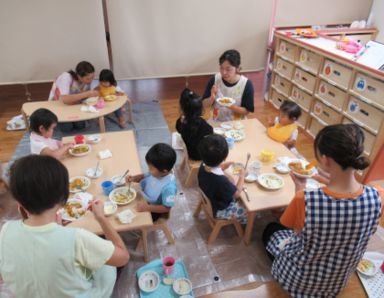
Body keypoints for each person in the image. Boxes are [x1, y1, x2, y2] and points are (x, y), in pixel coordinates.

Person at [262, 124, 383, 297]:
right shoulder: (378, 195)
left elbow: (297, 234)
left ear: (325, 160)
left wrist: (299, 188)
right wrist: (331, 183)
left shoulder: (304, 199)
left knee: (271, 230)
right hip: (337, 283)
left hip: (298, 281)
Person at [0, 155, 130, 297]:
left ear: (19, 204)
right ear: (64, 198)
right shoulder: (77, 238)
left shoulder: (5, 231)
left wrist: (57, 229)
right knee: (107, 267)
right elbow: (123, 257)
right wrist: (101, 218)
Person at [197, 134, 247, 224]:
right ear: (224, 157)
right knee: (249, 208)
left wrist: (223, 166)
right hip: (219, 210)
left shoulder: (203, 164)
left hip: (209, 199)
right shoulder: (221, 181)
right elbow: (237, 194)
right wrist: (242, 176)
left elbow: (214, 169)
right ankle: (244, 221)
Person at [126, 143, 177, 222]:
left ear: (164, 171)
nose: (149, 170)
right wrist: (133, 178)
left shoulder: (169, 188)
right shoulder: (158, 172)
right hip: (144, 198)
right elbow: (144, 176)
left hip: (154, 210)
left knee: (129, 217)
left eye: (151, 168)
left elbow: (167, 208)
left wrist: (146, 208)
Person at [202, 49, 254, 122]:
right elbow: (204, 105)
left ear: (237, 69)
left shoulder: (246, 84)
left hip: (236, 123)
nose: (224, 72)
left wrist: (231, 106)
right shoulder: (215, 79)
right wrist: (211, 98)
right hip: (216, 120)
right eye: (221, 68)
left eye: (228, 69)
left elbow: (246, 111)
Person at [48, 61, 99, 132]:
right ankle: (56, 120)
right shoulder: (66, 77)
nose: (90, 81)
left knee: (80, 125)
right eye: (87, 79)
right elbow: (64, 99)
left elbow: (85, 98)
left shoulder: (86, 83)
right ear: (78, 75)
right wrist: (87, 94)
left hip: (74, 106)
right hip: (59, 105)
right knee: (67, 128)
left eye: (92, 77)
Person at [176, 88, 213, 160]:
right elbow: (210, 131)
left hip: (188, 151)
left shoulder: (180, 121)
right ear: (200, 109)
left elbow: (178, 129)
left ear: (183, 108)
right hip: (200, 155)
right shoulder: (202, 123)